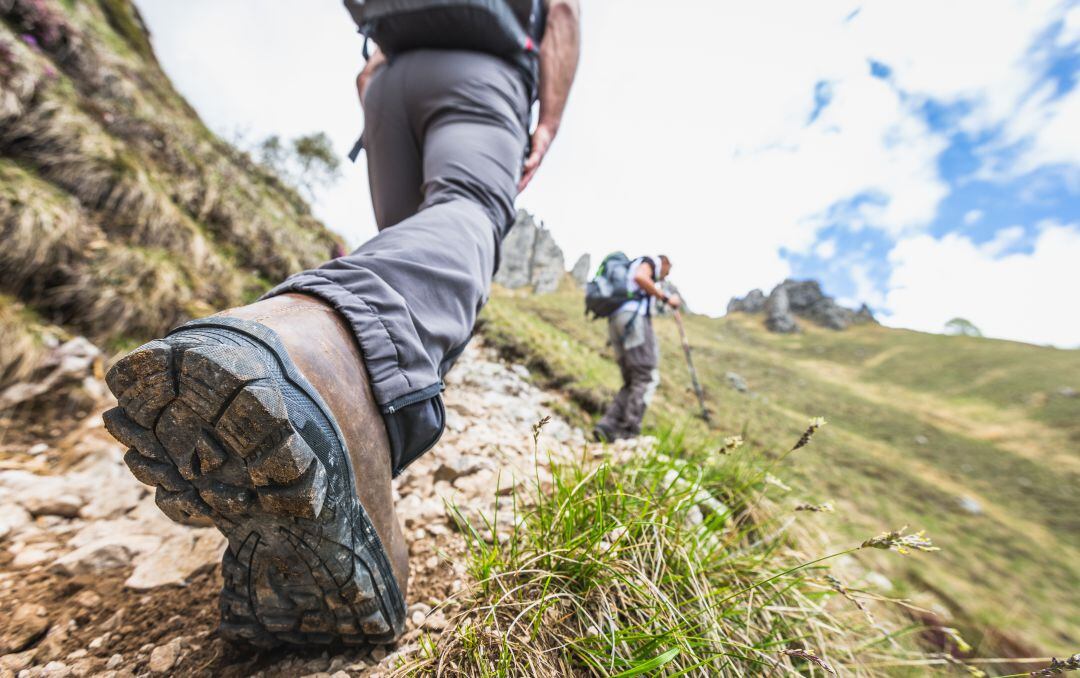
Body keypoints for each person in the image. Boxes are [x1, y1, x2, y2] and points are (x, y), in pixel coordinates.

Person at [102, 0, 581, 648]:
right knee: (466, 212)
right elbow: (561, 11)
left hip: (388, 83)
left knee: (409, 240)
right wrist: (547, 119)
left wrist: (379, 78)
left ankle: (345, 460)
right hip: (484, 71)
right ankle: (321, 360)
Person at [593, 255, 680, 442]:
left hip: (616, 322)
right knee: (645, 375)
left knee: (631, 380)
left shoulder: (630, 267)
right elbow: (640, 278)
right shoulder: (650, 262)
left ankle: (607, 426)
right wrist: (665, 298)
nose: (664, 277)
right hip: (634, 320)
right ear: (664, 263)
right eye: (667, 271)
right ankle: (628, 431)